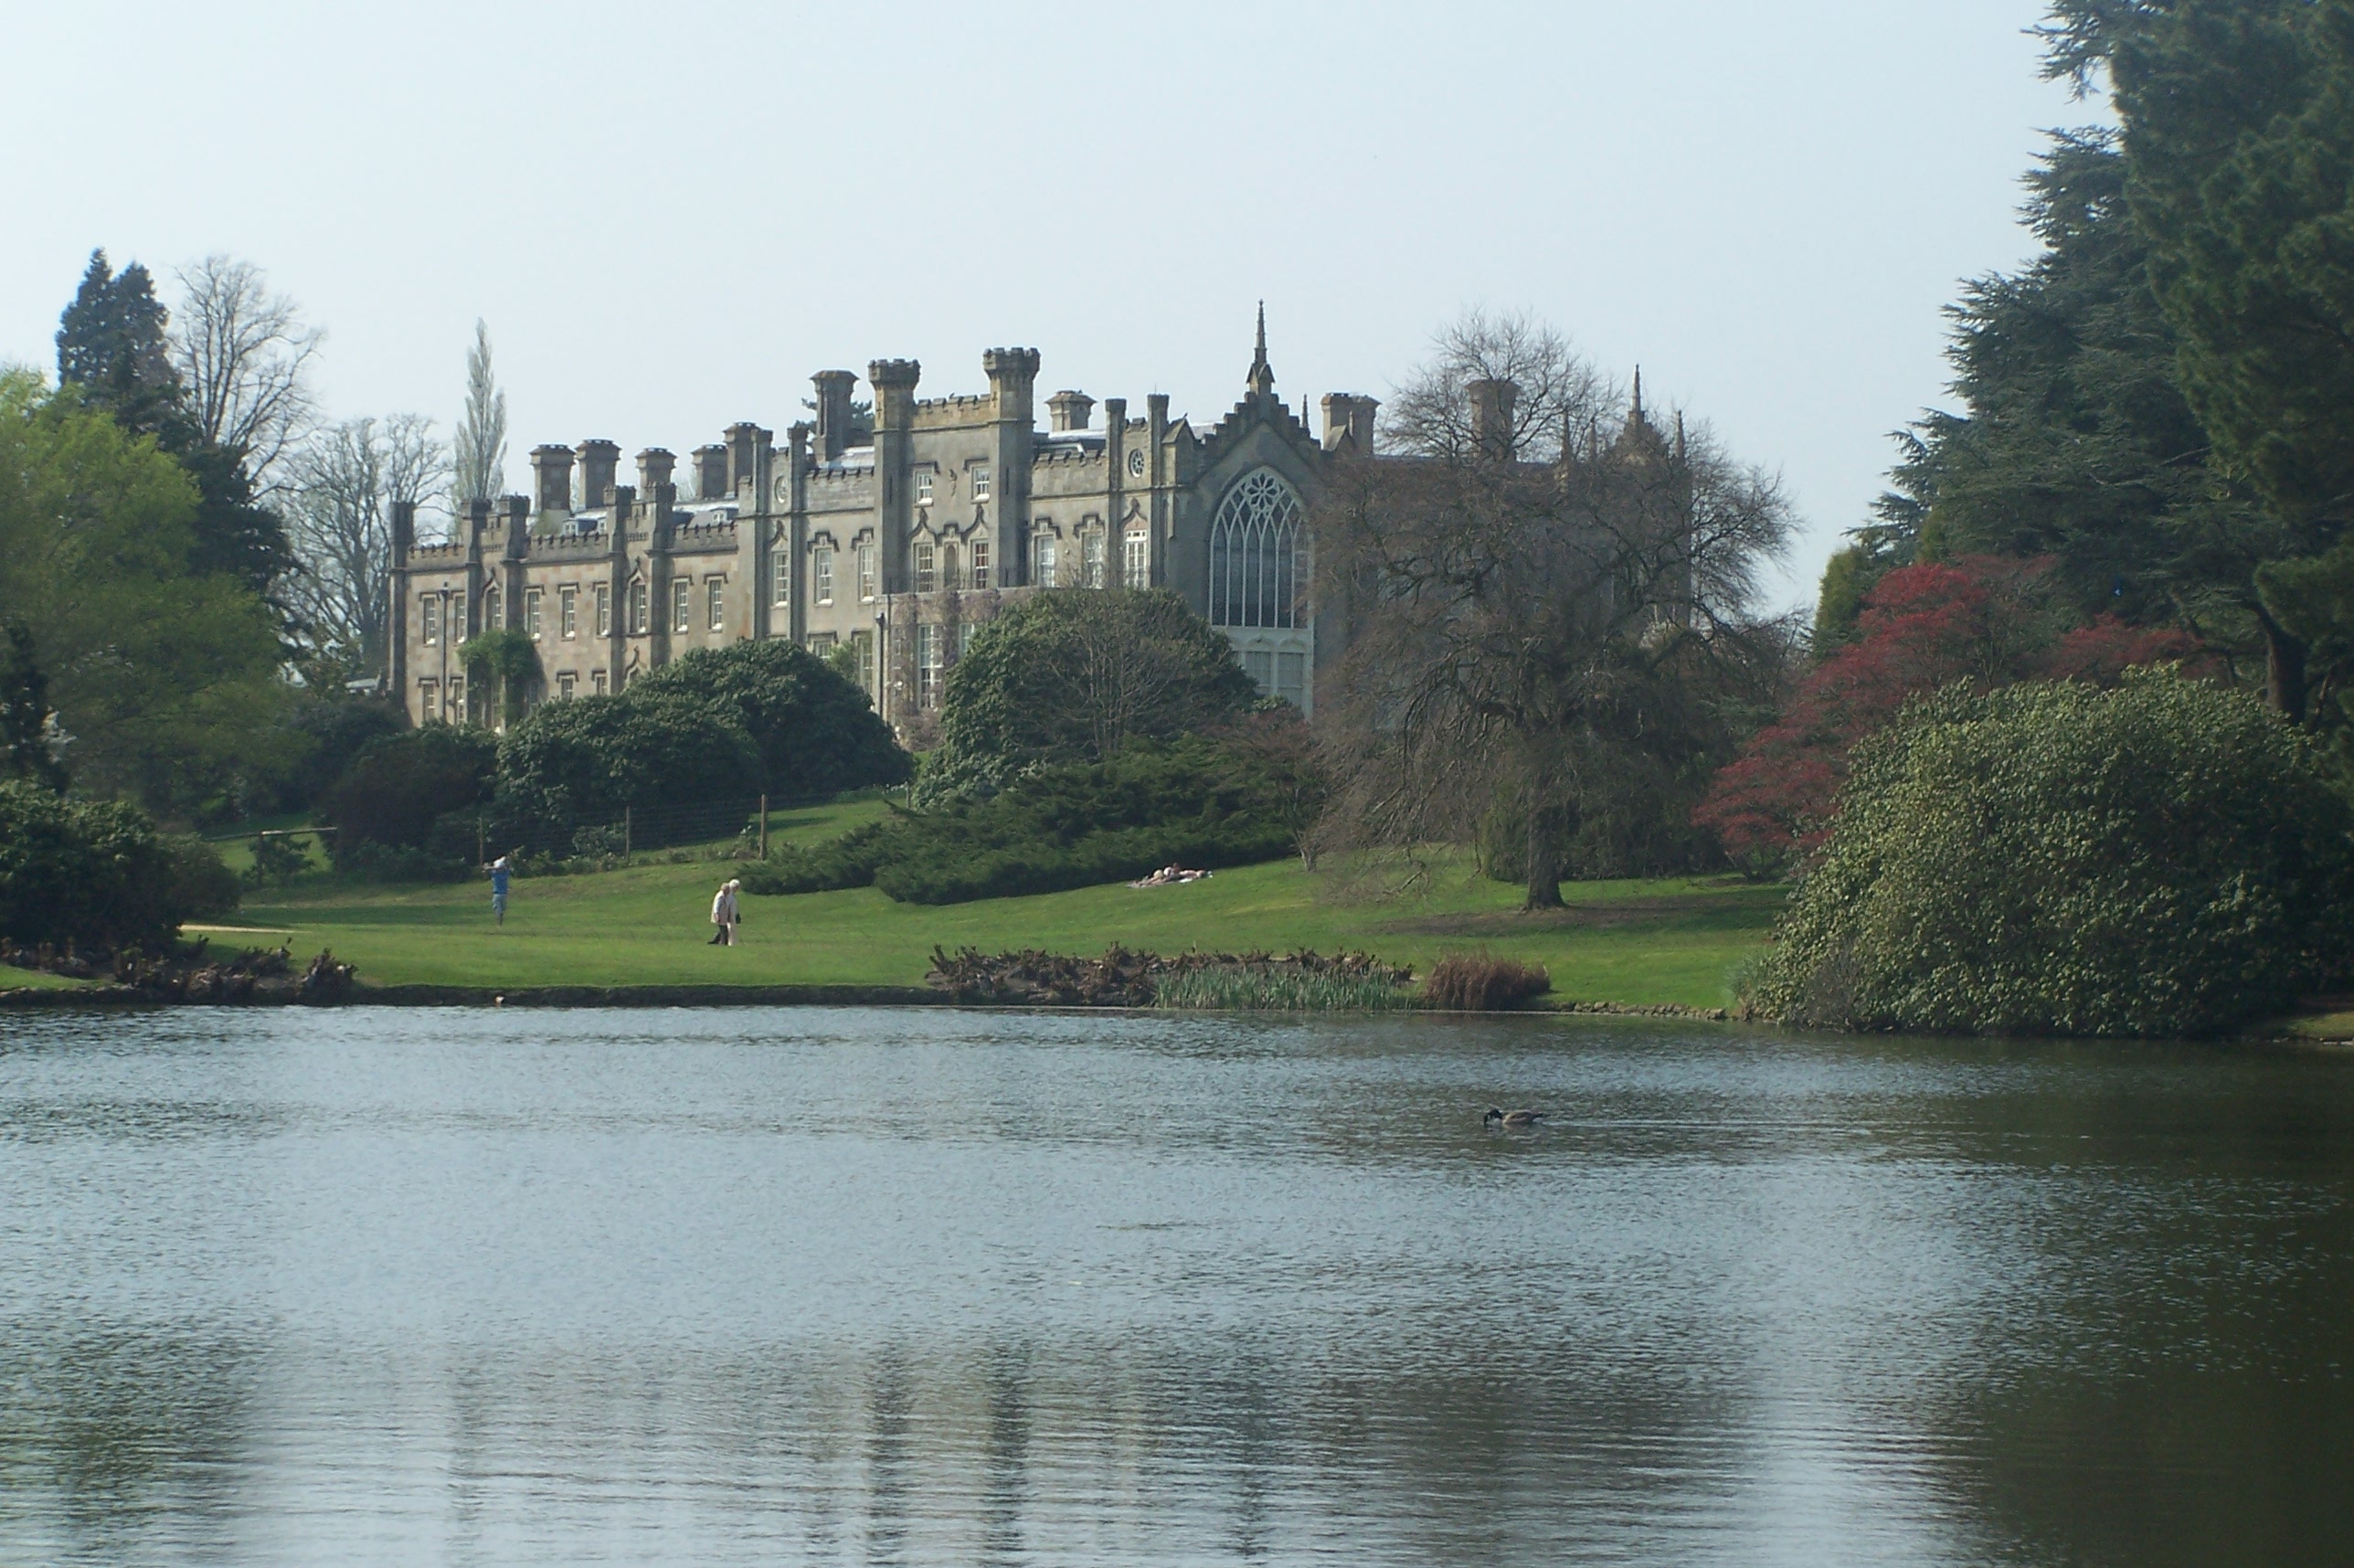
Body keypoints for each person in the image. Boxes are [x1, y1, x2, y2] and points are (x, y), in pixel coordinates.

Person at [709, 878, 741, 946]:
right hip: (722, 915)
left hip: (725, 915)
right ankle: (723, 943)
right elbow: (717, 906)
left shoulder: (729, 894)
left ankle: (715, 941)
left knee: (723, 929)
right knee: (724, 930)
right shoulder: (722, 896)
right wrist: (717, 914)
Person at [488, 855, 512, 926]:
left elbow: (486, 869)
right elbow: (508, 867)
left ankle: (499, 923)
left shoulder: (495, 875)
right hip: (504, 894)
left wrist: (494, 867)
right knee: (502, 909)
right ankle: (500, 923)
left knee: (498, 910)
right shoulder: (505, 874)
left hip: (497, 894)